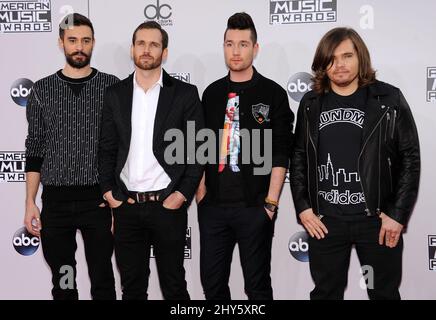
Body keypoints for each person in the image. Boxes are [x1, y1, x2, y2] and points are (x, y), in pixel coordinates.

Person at [290, 27, 420, 300]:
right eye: (332, 58)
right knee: (325, 294)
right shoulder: (311, 103)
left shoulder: (388, 99)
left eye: (347, 56)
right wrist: (303, 208)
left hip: (376, 221)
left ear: (360, 57)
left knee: (383, 294)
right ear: (323, 63)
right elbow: (299, 156)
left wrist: (397, 214)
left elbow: (410, 158)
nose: (340, 65)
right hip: (326, 221)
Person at [99, 21, 203, 300]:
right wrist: (110, 194)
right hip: (126, 206)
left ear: (164, 52)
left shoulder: (185, 94)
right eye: (141, 43)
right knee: (132, 288)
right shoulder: (114, 94)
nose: (147, 50)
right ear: (133, 49)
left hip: (168, 206)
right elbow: (106, 149)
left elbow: (197, 151)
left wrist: (182, 194)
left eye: (154, 44)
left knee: (174, 287)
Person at [196, 12, 294, 300]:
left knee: (257, 288)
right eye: (229, 44)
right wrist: (201, 195)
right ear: (223, 46)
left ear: (255, 48)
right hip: (213, 209)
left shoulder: (273, 93)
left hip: (255, 208)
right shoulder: (211, 94)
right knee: (213, 287)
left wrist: (271, 204)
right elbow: (201, 149)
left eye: (242, 44)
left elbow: (280, 153)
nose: (235, 51)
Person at [24, 13, 118, 300]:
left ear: (93, 44)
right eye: (73, 40)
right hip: (56, 204)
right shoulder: (41, 90)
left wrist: (115, 202)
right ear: (61, 43)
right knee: (64, 282)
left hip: (99, 203)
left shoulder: (112, 87)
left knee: (103, 279)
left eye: (85, 41)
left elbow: (119, 149)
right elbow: (35, 147)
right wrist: (30, 201)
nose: (79, 47)